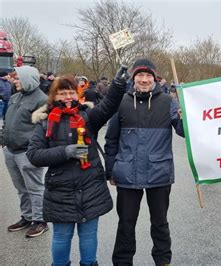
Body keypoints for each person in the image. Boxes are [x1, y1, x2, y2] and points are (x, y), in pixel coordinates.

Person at [26, 68, 127, 265]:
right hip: (60, 190)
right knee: (62, 237)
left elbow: (108, 106)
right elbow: (34, 155)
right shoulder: (45, 121)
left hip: (90, 187)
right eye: (62, 93)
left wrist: (118, 84)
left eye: (71, 92)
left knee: (89, 236)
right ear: (54, 95)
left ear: (77, 93)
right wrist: (66, 152)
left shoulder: (88, 116)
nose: (67, 96)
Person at [105, 58, 185, 265]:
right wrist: (110, 169)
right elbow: (111, 138)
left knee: (160, 223)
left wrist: (188, 115)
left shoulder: (169, 102)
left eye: (148, 75)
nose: (144, 79)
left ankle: (163, 261)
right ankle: (122, 262)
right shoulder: (121, 102)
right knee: (126, 224)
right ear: (133, 78)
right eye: (139, 75)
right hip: (126, 174)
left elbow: (184, 132)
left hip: (159, 174)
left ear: (155, 78)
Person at [2, 66, 49, 237]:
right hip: (10, 150)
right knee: (21, 188)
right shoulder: (15, 97)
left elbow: (45, 129)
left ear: (28, 79)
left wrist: (34, 147)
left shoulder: (42, 100)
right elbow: (8, 121)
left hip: (27, 153)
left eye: (17, 78)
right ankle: (28, 217)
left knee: (35, 188)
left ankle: (40, 220)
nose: (14, 81)